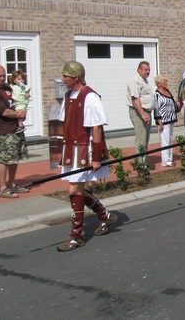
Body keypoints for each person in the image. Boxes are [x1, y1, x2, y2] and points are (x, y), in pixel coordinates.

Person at [57, 61, 117, 251]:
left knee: (74, 190)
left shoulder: (89, 97)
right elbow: (64, 123)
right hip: (71, 150)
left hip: (84, 150)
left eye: (65, 76)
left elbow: (97, 127)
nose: (62, 79)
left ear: (76, 77)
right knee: (76, 190)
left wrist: (97, 157)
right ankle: (104, 215)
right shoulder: (68, 96)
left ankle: (77, 235)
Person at [0, 65, 29, 198]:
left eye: (3, 75)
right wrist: (18, 114)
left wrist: (23, 110)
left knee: (15, 157)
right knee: (5, 159)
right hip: (4, 129)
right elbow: (4, 111)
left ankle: (12, 183)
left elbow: (19, 100)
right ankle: (2, 187)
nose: (1, 78)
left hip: (16, 127)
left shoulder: (7, 87)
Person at [127, 61, 155, 168]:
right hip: (139, 112)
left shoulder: (144, 80)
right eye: (145, 70)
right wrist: (143, 114)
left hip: (146, 112)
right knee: (141, 139)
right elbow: (135, 99)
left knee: (145, 139)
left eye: (148, 70)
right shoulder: (135, 81)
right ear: (139, 70)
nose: (147, 72)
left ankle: (144, 162)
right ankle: (141, 165)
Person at [153, 74, 180, 167]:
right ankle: (165, 161)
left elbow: (173, 102)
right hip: (164, 121)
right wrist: (159, 120)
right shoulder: (157, 94)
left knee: (170, 139)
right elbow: (156, 108)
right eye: (164, 81)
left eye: (166, 81)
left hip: (171, 119)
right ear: (158, 83)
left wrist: (177, 104)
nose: (166, 83)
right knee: (165, 141)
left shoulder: (168, 92)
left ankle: (169, 158)